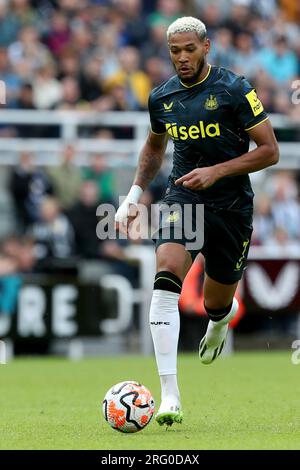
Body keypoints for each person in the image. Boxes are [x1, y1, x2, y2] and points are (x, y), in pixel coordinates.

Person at [115, 16, 279, 427]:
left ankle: (220, 320)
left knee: (215, 303)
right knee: (166, 273)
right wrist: (133, 196)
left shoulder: (234, 89)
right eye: (175, 51)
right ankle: (170, 393)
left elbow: (269, 151)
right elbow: (154, 150)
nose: (182, 58)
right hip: (183, 197)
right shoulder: (162, 97)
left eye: (190, 49)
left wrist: (218, 171)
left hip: (232, 206)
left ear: (206, 47)